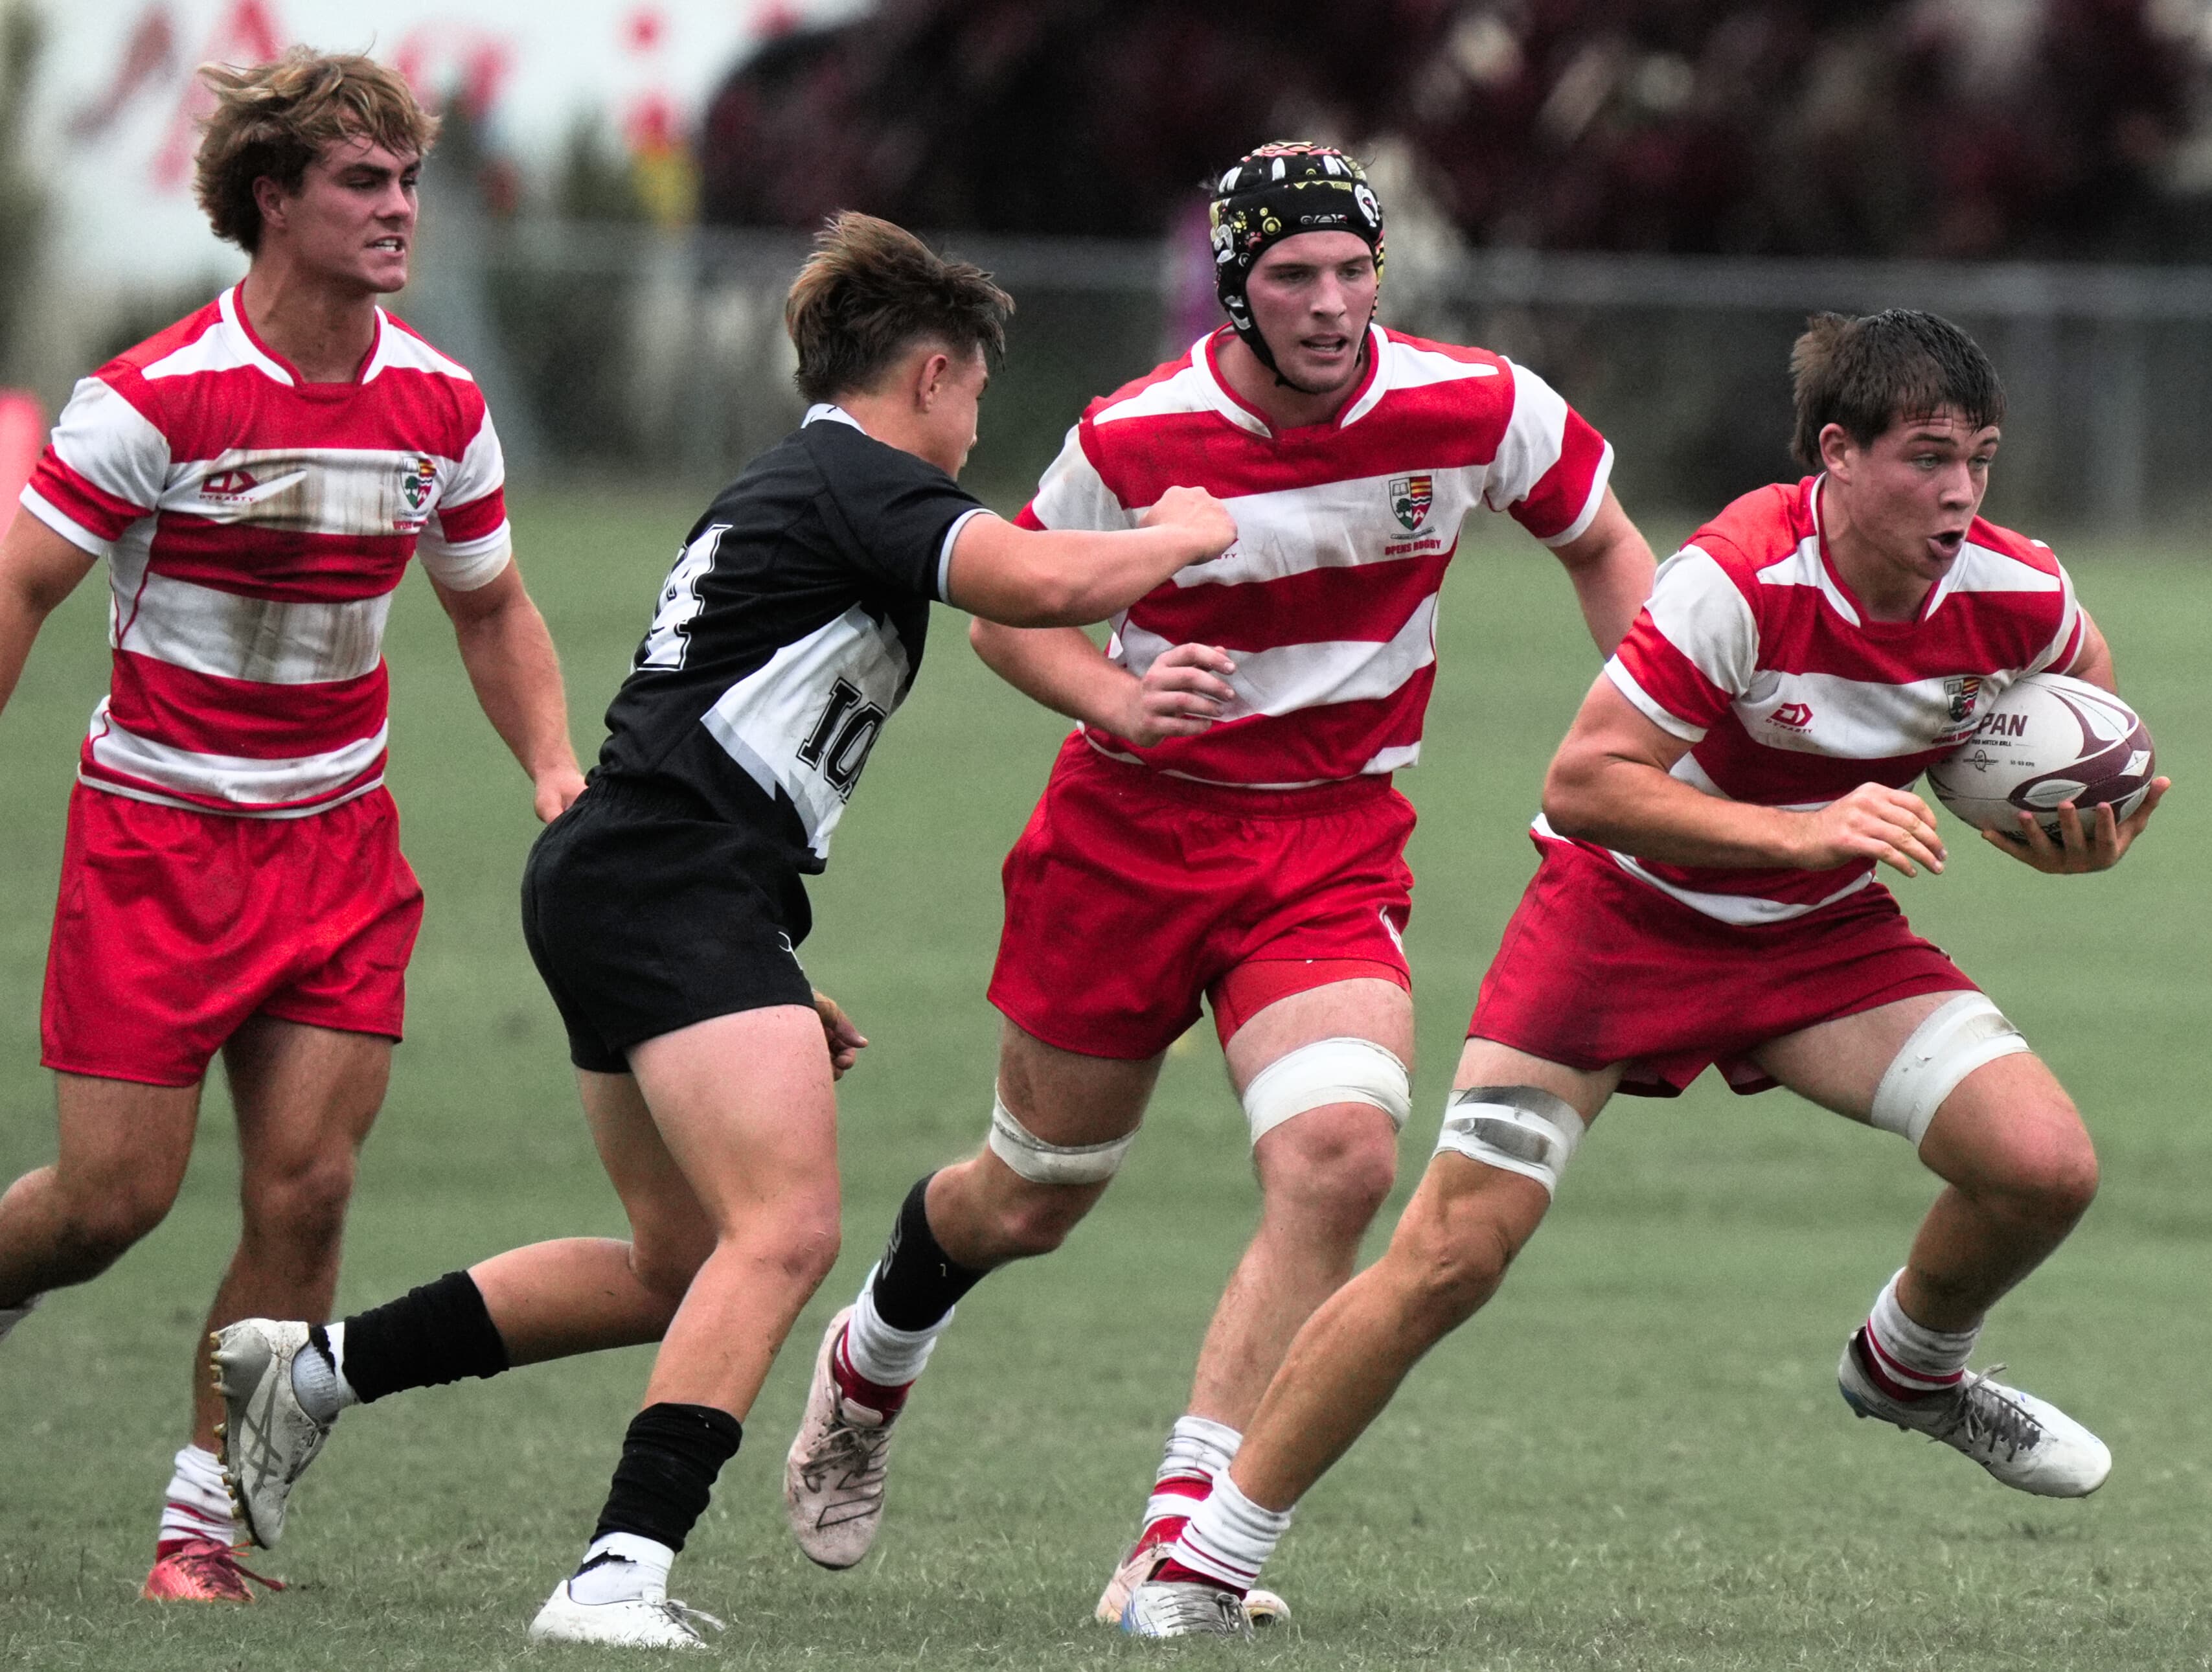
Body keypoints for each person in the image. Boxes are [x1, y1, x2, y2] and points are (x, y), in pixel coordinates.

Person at [211, 209, 1239, 1649]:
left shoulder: (810, 484)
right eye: (978, 399)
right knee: (788, 1229)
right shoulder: (858, 476)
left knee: (675, 1261)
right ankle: (616, 1570)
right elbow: (1043, 584)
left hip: (650, 880)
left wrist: (758, 971)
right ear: (934, 376)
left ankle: (314, 1373)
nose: (973, 430)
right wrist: (1185, 529)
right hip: (661, 881)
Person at [1118, 307, 2171, 1636]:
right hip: (1618, 921)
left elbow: (2084, 716)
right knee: (1452, 1253)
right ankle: (1201, 1563)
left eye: (1978, 456)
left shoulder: (2016, 590)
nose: (1959, 490)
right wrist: (1801, 829)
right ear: (1836, 456)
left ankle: (1908, 1368)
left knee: (2042, 1166)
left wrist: (2070, 842)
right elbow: (1585, 781)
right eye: (1924, 457)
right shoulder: (1734, 578)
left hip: (1817, 937)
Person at [784, 141, 1657, 1625]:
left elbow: (1607, 545)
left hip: (1330, 840)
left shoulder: (1479, 405)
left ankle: (1179, 1540)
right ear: (1234, 293)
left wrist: (1666, 737)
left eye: (1351, 270)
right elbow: (1009, 617)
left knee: (1340, 1156)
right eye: (1290, 276)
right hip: (1129, 837)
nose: (1328, 303)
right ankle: (871, 1361)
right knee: (1033, 1193)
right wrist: (1116, 702)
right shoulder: (1136, 437)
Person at [0, 51, 582, 1605]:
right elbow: (21, 587)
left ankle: (197, 1526)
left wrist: (551, 766)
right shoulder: (151, 396)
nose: (400, 210)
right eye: (362, 183)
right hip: (153, 844)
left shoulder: (440, 402)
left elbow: (494, 606)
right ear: (273, 199)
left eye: (407, 182)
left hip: (336, 848)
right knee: (106, 1206)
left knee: (309, 1192)